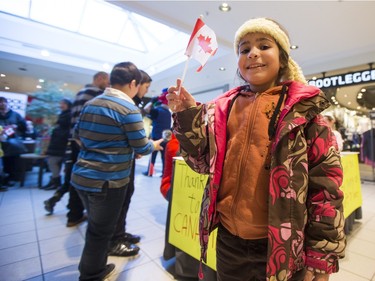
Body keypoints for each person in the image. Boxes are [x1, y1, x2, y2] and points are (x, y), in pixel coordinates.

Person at [166, 17, 346, 281]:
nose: (253, 53)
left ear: (283, 58)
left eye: (264, 45)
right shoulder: (221, 110)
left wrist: (320, 258)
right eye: (244, 48)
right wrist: (186, 117)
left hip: (284, 247)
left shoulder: (305, 113)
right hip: (229, 243)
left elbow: (326, 187)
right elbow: (202, 163)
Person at [71, 61, 164, 281]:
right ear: (133, 83)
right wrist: (156, 145)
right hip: (107, 181)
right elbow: (141, 146)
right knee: (100, 233)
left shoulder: (91, 103)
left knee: (95, 228)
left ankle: (92, 270)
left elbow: (77, 136)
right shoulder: (128, 108)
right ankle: (92, 275)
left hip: (82, 177)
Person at [108, 69, 153, 257]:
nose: (145, 91)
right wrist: (143, 146)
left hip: (126, 159)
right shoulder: (126, 105)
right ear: (135, 84)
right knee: (118, 200)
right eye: (146, 87)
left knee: (126, 195)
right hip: (115, 164)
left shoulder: (131, 104)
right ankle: (114, 239)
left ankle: (119, 233)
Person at [65, 71, 110, 227]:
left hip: (75, 139)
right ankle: (91, 216)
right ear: (100, 78)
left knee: (76, 176)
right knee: (90, 179)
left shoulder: (80, 93)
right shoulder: (96, 94)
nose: (108, 84)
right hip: (86, 142)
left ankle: (73, 214)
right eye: (107, 80)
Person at [41, 98, 72, 190]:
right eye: (61, 103)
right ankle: (55, 180)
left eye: (63, 103)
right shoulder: (63, 114)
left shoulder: (69, 115)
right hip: (58, 142)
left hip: (62, 142)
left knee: (53, 161)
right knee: (54, 162)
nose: (61, 105)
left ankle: (56, 181)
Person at [142, 88, 172, 177]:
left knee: (153, 156)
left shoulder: (157, 111)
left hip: (156, 137)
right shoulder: (168, 113)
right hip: (166, 138)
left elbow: (146, 109)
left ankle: (150, 172)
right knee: (164, 157)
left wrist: (152, 101)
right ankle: (164, 173)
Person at [0, 96, 27, 186]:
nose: (2, 104)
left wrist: (16, 126)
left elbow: (24, 126)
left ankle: (11, 178)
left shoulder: (15, 115)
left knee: (12, 160)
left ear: (7, 103)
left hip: (13, 142)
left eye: (4, 102)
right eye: (0, 102)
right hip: (1, 142)